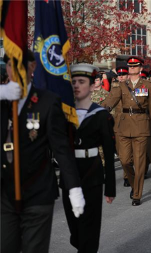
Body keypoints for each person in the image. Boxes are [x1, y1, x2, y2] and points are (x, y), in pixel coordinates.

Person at [1, 52, 84, 253]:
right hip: (4, 194)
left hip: (38, 191)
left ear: (33, 67)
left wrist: (74, 187)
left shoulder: (47, 101)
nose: (16, 70)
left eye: (22, 65)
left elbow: (61, 148)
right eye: (11, 66)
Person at [62, 64, 115, 252]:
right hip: (69, 173)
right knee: (75, 230)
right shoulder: (63, 113)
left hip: (92, 172)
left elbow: (109, 152)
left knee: (89, 229)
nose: (77, 85)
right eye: (74, 82)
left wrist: (110, 187)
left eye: (82, 82)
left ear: (93, 86)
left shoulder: (101, 115)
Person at [102, 56, 151, 206]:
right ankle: (135, 184)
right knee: (125, 160)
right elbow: (111, 100)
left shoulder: (147, 85)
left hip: (141, 126)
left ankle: (137, 195)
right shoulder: (121, 85)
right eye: (130, 66)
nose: (132, 68)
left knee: (140, 163)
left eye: (135, 66)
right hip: (124, 126)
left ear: (140, 68)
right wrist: (103, 109)